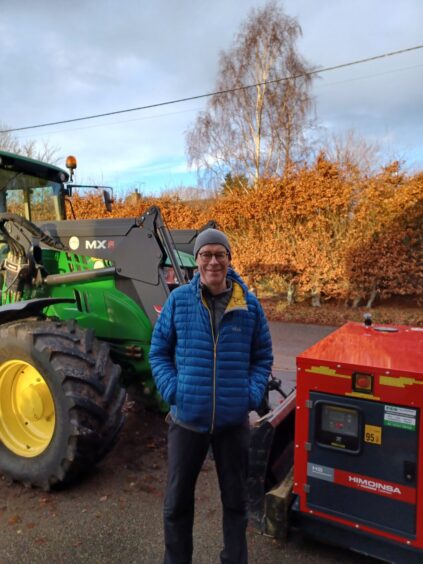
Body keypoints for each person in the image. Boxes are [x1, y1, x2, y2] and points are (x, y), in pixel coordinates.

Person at [149, 228, 273, 564]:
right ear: (197, 261)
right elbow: (159, 350)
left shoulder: (248, 305)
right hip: (187, 420)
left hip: (232, 424)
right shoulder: (179, 301)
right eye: (206, 255)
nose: (213, 261)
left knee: (235, 502)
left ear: (229, 259)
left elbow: (262, 356)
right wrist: (173, 391)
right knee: (176, 504)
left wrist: (249, 395)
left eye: (220, 254)